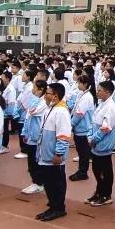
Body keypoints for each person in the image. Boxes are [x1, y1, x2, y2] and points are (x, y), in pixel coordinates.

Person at [35, 83, 72, 221]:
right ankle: (52, 205)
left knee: (56, 182)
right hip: (45, 153)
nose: (45, 95)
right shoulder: (50, 108)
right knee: (49, 183)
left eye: (48, 93)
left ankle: (58, 208)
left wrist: (59, 153)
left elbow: (63, 135)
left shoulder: (62, 112)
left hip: (54, 155)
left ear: (55, 96)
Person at [85, 80, 115, 207]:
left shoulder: (110, 107)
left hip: (103, 144)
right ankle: (99, 191)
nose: (97, 92)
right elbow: (93, 122)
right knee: (96, 169)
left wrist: (94, 139)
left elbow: (105, 128)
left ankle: (106, 194)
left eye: (100, 90)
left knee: (104, 171)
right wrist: (90, 136)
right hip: (96, 144)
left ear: (107, 92)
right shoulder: (101, 104)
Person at [68, 74, 96, 182]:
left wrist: (71, 125)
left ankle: (83, 172)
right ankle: (81, 170)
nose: (77, 84)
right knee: (81, 152)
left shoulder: (87, 97)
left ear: (85, 84)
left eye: (79, 83)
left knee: (83, 153)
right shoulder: (82, 94)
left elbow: (79, 114)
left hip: (84, 129)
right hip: (80, 128)